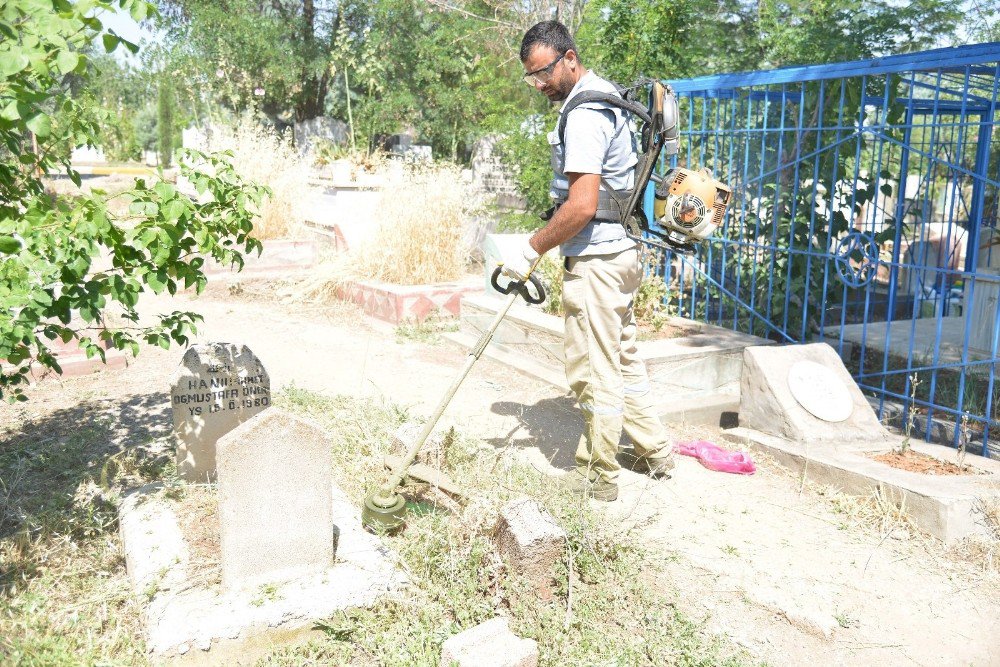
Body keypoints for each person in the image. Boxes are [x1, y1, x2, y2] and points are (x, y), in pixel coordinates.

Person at [503, 20, 675, 502]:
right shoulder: (604, 96)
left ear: (569, 58)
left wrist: (532, 246)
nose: (539, 85)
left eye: (543, 73)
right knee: (622, 360)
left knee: (592, 370)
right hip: (620, 253)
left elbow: (580, 206)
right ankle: (656, 451)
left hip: (598, 260)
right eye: (531, 77)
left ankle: (598, 475)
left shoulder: (582, 114)